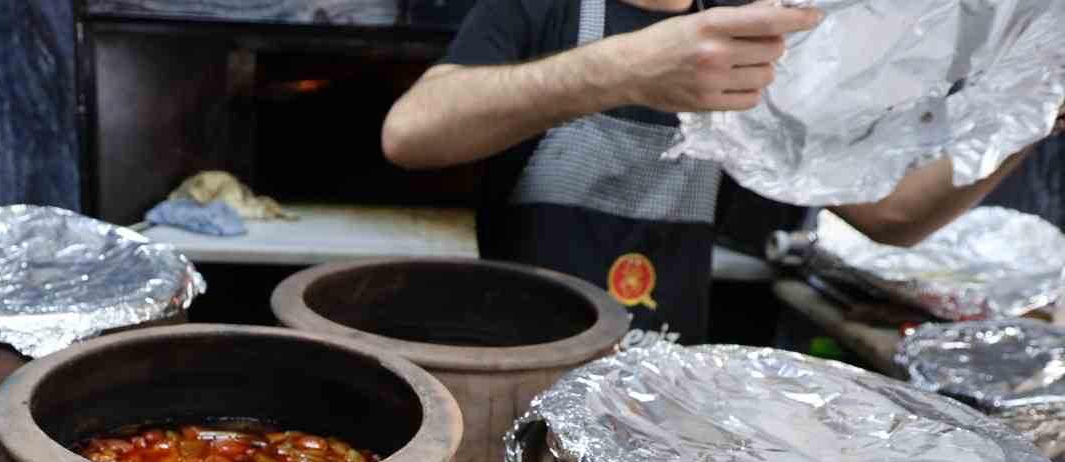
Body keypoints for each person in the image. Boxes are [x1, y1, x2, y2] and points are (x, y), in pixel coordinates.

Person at [382, 0, 1038, 342]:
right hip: (519, 372)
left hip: (657, 405)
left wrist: (1037, 108)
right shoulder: (538, 10)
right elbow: (411, 132)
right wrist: (623, 69)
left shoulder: (765, 35)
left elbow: (891, 214)